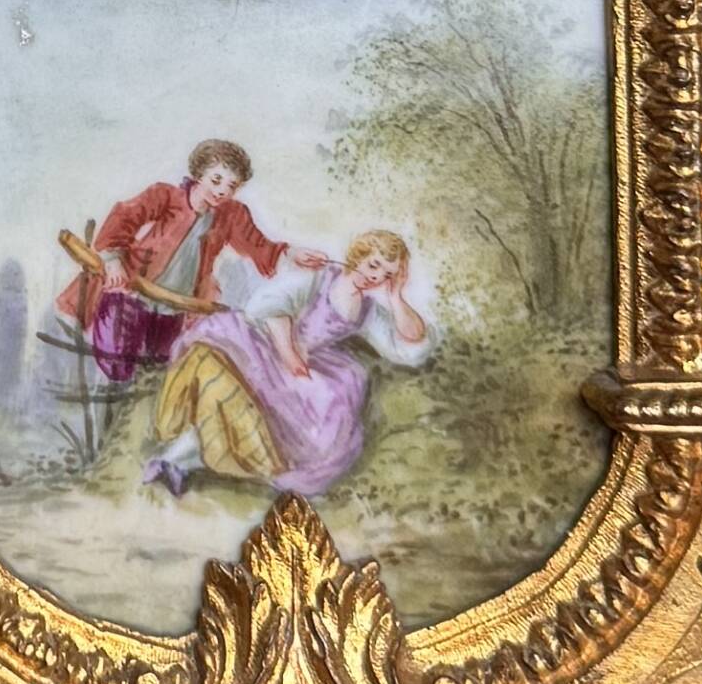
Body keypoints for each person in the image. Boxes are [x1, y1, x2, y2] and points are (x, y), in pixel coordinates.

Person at [142, 228, 435, 499]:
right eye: (373, 265)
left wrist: (396, 297)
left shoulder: (368, 309)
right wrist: (289, 355)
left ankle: (183, 462)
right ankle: (171, 461)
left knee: (318, 418)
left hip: (313, 363)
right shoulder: (321, 276)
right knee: (229, 392)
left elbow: (410, 345)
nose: (376, 277)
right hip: (268, 346)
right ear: (358, 255)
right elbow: (271, 305)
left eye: (386, 274)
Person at [59, 140, 318, 389]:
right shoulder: (165, 195)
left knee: (159, 370)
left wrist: (291, 253)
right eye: (216, 181)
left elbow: (258, 244)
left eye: (231, 186)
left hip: (176, 306)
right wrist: (113, 260)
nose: (222, 192)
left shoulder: (232, 214)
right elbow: (124, 216)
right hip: (131, 293)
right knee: (117, 367)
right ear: (198, 175)